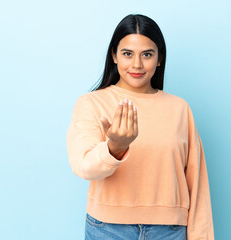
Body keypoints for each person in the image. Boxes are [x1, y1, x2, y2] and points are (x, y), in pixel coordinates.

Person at [66, 14, 214, 240]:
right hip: (108, 229)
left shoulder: (179, 109)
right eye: (127, 54)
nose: (137, 64)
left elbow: (197, 185)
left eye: (147, 54)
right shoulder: (91, 103)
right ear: (114, 55)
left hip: (169, 231)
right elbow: (85, 167)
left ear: (159, 59)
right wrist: (115, 147)